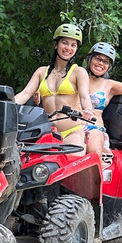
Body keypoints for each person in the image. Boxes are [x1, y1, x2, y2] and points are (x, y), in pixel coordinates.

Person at [13, 23, 96, 153]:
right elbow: (24, 94)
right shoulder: (41, 72)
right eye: (65, 43)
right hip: (47, 132)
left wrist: (88, 110)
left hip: (72, 131)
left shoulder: (78, 72)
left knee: (71, 160)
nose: (68, 48)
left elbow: (85, 97)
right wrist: (6, 104)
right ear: (56, 44)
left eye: (73, 45)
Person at [84, 41, 122, 158]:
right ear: (90, 59)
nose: (100, 63)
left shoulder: (109, 85)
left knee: (94, 156)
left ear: (109, 66)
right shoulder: (78, 76)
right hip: (72, 125)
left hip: (94, 128)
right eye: (97, 58)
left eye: (105, 61)